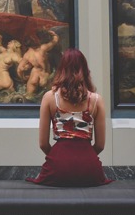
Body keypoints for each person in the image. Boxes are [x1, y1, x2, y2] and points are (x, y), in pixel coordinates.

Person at [27, 48, 112, 187]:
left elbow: (43, 144)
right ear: (85, 69)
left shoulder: (49, 98)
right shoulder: (97, 100)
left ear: (61, 69)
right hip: (89, 168)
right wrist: (84, 157)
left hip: (57, 167)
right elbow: (100, 145)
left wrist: (59, 158)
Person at [17, 29, 59, 99]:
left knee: (28, 97)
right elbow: (55, 40)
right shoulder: (42, 49)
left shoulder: (27, 55)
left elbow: (19, 70)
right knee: (52, 98)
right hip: (45, 77)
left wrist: (23, 79)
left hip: (34, 77)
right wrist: (53, 34)